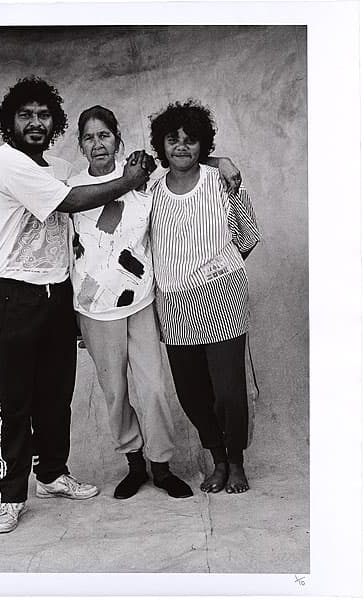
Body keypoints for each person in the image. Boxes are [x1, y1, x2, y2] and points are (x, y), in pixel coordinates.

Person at [0, 77, 152, 533]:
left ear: (54, 123)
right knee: (15, 400)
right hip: (12, 292)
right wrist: (130, 178)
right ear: (10, 122)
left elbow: (98, 183)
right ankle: (11, 495)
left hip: (57, 293)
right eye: (25, 115)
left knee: (56, 396)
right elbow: (74, 200)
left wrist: (139, 168)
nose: (35, 123)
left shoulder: (55, 164)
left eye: (43, 115)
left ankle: (52, 475)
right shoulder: (6, 162)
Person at [69, 105, 243, 500]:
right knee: (115, 393)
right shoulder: (71, 189)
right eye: (89, 137)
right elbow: (66, 252)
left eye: (105, 135)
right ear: (80, 145)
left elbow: (183, 163)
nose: (98, 144)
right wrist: (70, 315)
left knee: (154, 390)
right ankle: (134, 465)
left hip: (143, 302)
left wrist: (221, 159)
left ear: (118, 139)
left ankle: (161, 467)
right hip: (94, 310)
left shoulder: (143, 180)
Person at [149, 100, 261, 494]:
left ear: (204, 145)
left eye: (191, 140)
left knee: (229, 391)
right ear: (160, 145)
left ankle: (237, 462)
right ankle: (217, 459)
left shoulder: (222, 181)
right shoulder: (150, 191)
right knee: (193, 393)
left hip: (222, 299)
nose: (182, 147)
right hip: (175, 306)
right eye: (173, 139)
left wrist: (217, 270)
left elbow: (246, 235)